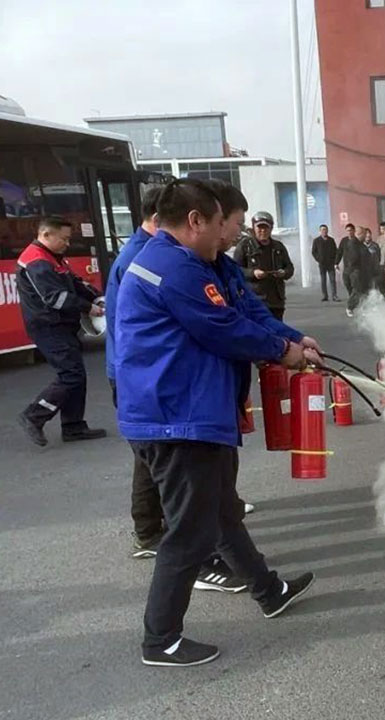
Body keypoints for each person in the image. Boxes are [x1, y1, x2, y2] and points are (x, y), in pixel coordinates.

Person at [115, 178, 315, 667]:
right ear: (197, 220)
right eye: (228, 223)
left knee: (223, 511)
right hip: (176, 418)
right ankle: (160, 639)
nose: (233, 234)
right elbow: (222, 327)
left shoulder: (198, 262)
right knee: (190, 533)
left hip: (193, 411)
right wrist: (282, 351)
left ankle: (268, 590)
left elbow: (246, 311)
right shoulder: (171, 266)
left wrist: (293, 340)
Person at [104, 186, 165, 557]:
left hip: (134, 369)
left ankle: (155, 527)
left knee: (152, 454)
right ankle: (148, 531)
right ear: (159, 219)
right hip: (135, 372)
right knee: (150, 455)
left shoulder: (145, 251)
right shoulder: (141, 259)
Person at [15, 217, 107, 446]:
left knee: (76, 374)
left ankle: (74, 426)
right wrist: (89, 307)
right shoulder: (37, 261)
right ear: (46, 235)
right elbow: (55, 297)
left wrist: (97, 297)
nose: (67, 243)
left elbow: (75, 283)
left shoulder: (51, 257)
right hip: (48, 326)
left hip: (60, 324)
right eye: (64, 239)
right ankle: (34, 414)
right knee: (70, 374)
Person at [233, 210, 294, 319]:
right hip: (254, 301)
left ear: (271, 228)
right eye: (259, 227)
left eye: (266, 228)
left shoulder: (278, 247)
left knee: (276, 329)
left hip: (276, 302)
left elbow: (290, 268)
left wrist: (284, 273)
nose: (263, 231)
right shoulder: (245, 246)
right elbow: (234, 269)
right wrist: (253, 273)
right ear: (253, 228)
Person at [338, 223, 364, 318]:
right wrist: (336, 263)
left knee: (356, 289)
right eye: (347, 231)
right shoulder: (344, 241)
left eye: (350, 230)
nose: (349, 232)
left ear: (354, 231)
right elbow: (340, 252)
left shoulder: (358, 243)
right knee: (350, 288)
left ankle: (351, 306)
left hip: (355, 270)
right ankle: (354, 304)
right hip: (347, 269)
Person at [311, 223, 339, 302]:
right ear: (320, 231)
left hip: (330, 263)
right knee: (323, 280)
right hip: (322, 264)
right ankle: (325, 295)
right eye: (323, 230)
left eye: (326, 230)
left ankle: (334, 295)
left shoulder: (331, 240)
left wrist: (335, 261)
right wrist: (319, 259)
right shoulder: (316, 240)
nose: (324, 231)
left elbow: (335, 251)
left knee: (332, 280)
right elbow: (313, 252)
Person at [375, 221, 385, 297]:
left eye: (384, 229)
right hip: (381, 263)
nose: (383, 231)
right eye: (381, 229)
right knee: (380, 281)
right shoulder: (379, 239)